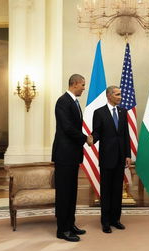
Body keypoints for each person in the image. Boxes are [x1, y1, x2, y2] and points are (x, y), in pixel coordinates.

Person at [52, 74, 93, 242]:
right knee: (64, 193)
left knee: (71, 192)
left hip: (72, 155)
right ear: (75, 84)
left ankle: (70, 224)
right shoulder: (63, 102)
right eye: (83, 85)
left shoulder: (74, 102)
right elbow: (67, 128)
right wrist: (86, 138)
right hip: (64, 155)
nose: (84, 88)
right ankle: (62, 230)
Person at [92, 85, 131, 233]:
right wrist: (90, 139)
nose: (120, 97)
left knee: (117, 191)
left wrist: (128, 154)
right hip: (107, 158)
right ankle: (106, 222)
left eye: (120, 94)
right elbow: (96, 133)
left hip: (121, 158)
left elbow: (126, 135)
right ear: (109, 96)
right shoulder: (99, 113)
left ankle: (116, 220)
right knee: (107, 191)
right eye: (117, 94)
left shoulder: (123, 112)